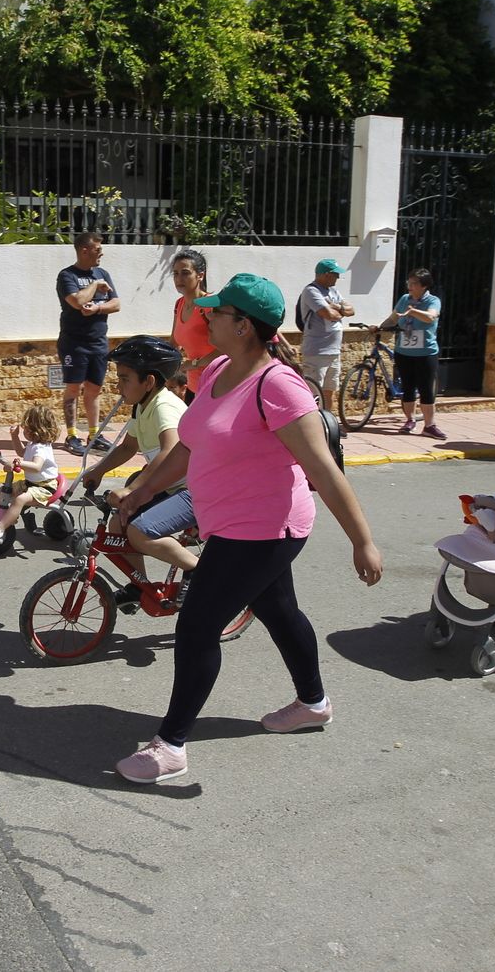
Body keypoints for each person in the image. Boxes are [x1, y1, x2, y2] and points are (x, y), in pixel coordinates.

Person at [110, 274, 383, 784]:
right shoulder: (216, 370)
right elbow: (189, 449)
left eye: (215, 312)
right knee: (278, 610)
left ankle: (170, 745)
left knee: (196, 625)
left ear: (243, 325)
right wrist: (143, 491)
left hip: (266, 528)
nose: (204, 316)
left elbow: (323, 469)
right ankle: (314, 702)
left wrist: (362, 540)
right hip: (229, 521)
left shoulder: (277, 385)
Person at [75, 336, 198, 608]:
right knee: (118, 524)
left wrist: (132, 489)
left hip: (195, 489)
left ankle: (196, 568)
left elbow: (170, 450)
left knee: (140, 532)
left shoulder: (164, 405)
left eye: (124, 378)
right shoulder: (143, 406)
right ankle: (138, 583)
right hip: (170, 486)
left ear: (149, 382)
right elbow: (128, 447)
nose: (118, 386)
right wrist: (98, 469)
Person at [56, 231, 120, 456]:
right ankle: (72, 435)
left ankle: (94, 434)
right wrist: (95, 285)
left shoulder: (103, 273)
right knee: (74, 388)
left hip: (99, 342)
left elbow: (116, 303)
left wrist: (99, 308)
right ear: (84, 250)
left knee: (95, 388)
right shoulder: (67, 276)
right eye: (97, 249)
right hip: (74, 343)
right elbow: (77, 301)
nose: (101, 253)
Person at [0, 404, 61, 543]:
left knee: (20, 499)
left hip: (45, 487)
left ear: (36, 430)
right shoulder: (33, 445)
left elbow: (36, 467)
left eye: (26, 428)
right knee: (4, 490)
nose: (24, 430)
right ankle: (2, 515)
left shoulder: (41, 448)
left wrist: (19, 463)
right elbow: (21, 452)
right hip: (31, 484)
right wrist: (15, 436)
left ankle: (0, 528)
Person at [386, 268, 445, 439]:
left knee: (426, 389)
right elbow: (393, 318)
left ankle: (429, 425)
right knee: (408, 387)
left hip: (425, 352)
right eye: (409, 283)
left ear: (424, 286)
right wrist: (380, 327)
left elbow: (431, 317)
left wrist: (414, 312)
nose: (410, 286)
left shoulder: (433, 301)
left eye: (414, 284)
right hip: (403, 351)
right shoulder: (405, 299)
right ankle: (409, 420)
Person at [297, 258, 355, 396]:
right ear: (326, 274)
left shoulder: (333, 291)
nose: (338, 277)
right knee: (313, 393)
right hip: (317, 351)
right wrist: (341, 312)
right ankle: (314, 418)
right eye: (335, 274)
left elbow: (351, 310)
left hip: (334, 352)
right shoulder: (311, 291)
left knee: (330, 391)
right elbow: (329, 314)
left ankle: (328, 417)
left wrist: (338, 307)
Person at [168, 249, 216, 391]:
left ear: (200, 275)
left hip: (216, 385)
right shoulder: (179, 304)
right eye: (175, 274)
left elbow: (228, 348)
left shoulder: (211, 305)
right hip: (193, 386)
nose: (179, 279)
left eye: (185, 273)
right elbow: (173, 344)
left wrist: (194, 364)